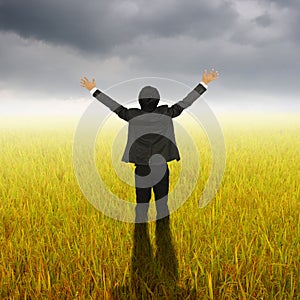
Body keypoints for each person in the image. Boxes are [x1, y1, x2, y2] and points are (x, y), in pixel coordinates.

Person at [80, 68, 219, 223]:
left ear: (140, 101)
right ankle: (163, 231)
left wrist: (93, 89)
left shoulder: (131, 115)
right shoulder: (166, 112)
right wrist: (204, 83)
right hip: (161, 165)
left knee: (141, 203)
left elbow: (113, 105)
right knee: (162, 204)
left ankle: (140, 230)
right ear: (157, 100)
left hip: (142, 168)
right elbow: (186, 102)